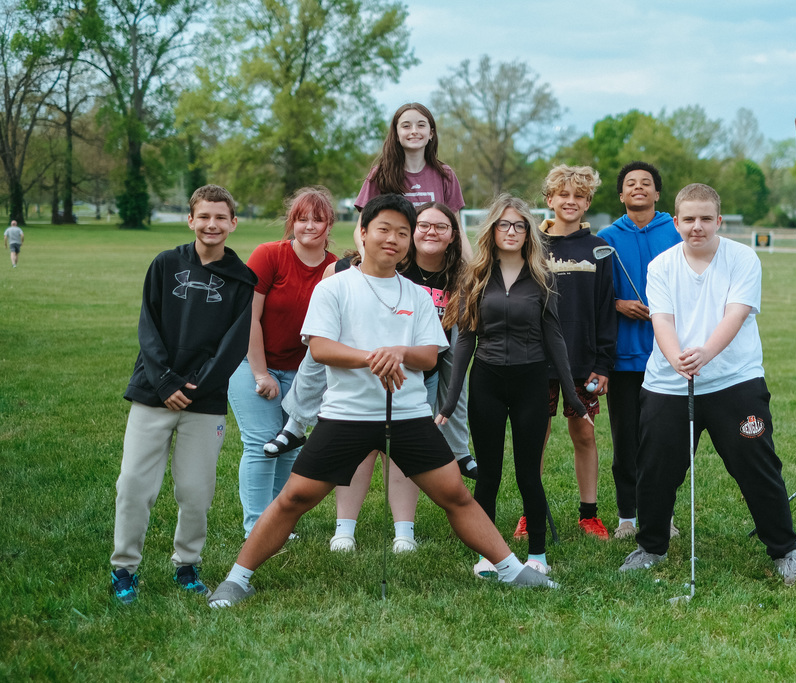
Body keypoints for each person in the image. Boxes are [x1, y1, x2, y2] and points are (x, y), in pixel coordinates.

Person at [207, 194, 556, 608]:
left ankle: (512, 570)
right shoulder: (334, 287)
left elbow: (428, 356)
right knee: (294, 498)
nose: (393, 239)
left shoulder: (416, 295)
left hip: (409, 415)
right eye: (384, 229)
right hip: (345, 415)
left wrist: (400, 352)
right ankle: (237, 579)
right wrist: (375, 357)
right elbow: (320, 348)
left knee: (456, 495)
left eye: (402, 233)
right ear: (364, 232)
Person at [620, 183, 796, 586]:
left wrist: (705, 353)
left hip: (734, 380)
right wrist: (676, 359)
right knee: (655, 470)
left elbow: (735, 314)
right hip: (668, 383)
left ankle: (784, 550)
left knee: (757, 466)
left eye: (706, 218)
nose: (697, 226)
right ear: (676, 222)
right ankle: (651, 547)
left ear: (719, 220)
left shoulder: (743, 257)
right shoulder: (661, 266)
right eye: (689, 219)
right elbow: (662, 320)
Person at [109, 185, 257, 604]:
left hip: (203, 401)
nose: (212, 224)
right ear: (190, 220)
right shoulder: (165, 264)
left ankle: (187, 564)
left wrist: (197, 386)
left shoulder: (242, 280)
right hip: (153, 392)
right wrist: (165, 382)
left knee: (195, 491)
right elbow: (148, 327)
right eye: (204, 216)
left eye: (220, 217)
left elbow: (233, 345)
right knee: (133, 484)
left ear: (233, 223)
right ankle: (124, 569)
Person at [437, 194, 590, 578]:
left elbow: (554, 337)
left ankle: (537, 553)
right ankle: (487, 555)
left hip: (530, 381)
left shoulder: (542, 277)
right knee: (488, 475)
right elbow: (465, 339)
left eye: (519, 225)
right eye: (504, 224)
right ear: (492, 229)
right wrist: (450, 401)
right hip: (487, 381)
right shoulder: (475, 276)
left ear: (528, 232)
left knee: (528, 475)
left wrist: (573, 398)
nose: (511, 231)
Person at [328, 201, 474, 554]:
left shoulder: (456, 277)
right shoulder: (376, 270)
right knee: (360, 451)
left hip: (419, 375)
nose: (430, 232)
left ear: (454, 235)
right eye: (423, 225)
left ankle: (404, 532)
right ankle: (344, 529)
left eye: (441, 226)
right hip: (364, 374)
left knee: (402, 453)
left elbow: (442, 350)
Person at [227, 187, 338, 537]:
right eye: (302, 219)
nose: (309, 226)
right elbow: (249, 316)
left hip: (303, 373)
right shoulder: (269, 255)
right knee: (261, 443)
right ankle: (256, 528)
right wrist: (261, 373)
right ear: (292, 221)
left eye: (318, 219)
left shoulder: (336, 268)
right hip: (251, 363)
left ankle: (277, 524)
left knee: (289, 448)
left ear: (330, 224)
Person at [596, 162, 681, 539]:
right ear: (621, 195)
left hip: (668, 356)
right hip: (625, 358)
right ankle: (627, 516)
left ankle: (663, 515)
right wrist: (618, 304)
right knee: (626, 440)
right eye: (630, 183)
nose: (638, 187)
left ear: (657, 194)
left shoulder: (676, 232)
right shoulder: (606, 238)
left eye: (646, 183)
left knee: (663, 441)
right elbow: (595, 295)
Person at [531, 164, 615, 540]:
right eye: (563, 194)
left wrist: (603, 364)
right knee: (536, 437)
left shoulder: (598, 249)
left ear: (587, 203)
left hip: (583, 361)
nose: (570, 201)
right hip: (535, 360)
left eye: (579, 196)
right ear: (549, 199)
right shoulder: (531, 244)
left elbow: (605, 309)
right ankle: (531, 511)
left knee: (584, 434)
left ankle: (589, 514)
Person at [353, 103, 471, 256]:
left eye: (421, 125)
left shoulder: (445, 175)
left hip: (433, 262)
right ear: (396, 134)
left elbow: (458, 230)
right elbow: (361, 228)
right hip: (394, 261)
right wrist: (366, 259)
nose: (414, 131)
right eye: (406, 126)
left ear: (431, 133)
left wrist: (472, 266)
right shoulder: (380, 175)